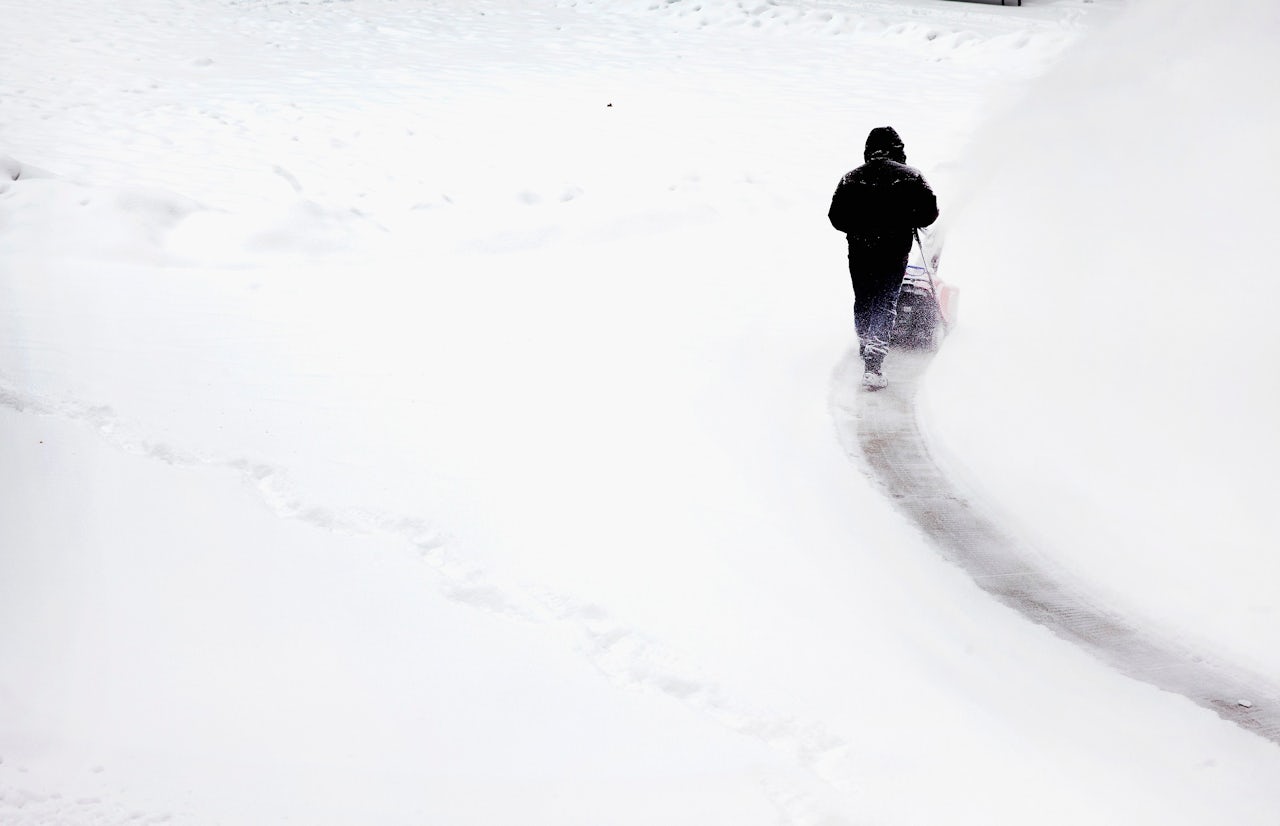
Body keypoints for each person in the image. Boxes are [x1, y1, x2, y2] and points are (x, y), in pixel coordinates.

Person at [828, 126, 938, 390]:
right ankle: (873, 365)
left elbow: (836, 217)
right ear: (898, 150)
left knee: (864, 298)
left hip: (860, 250)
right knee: (885, 300)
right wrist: (904, 216)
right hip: (893, 249)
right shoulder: (912, 178)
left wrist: (861, 227)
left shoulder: (850, 179)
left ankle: (866, 344)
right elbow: (929, 215)